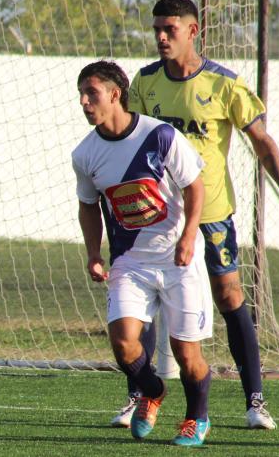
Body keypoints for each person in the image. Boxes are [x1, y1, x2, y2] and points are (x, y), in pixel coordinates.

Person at [112, 0, 279, 430]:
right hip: (158, 220)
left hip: (211, 215)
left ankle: (255, 400)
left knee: (230, 297)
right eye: (157, 30)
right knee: (143, 299)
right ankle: (140, 397)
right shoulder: (145, 84)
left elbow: (264, 144)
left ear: (193, 30)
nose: (162, 37)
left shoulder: (224, 84)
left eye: (171, 30)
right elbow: (128, 144)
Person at [73, 60, 213, 446]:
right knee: (123, 342)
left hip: (177, 258)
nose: (84, 102)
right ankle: (151, 391)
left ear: (115, 95)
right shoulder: (85, 154)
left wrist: (188, 237)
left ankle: (196, 418)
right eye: (81, 95)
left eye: (92, 94)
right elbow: (88, 205)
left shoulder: (161, 136)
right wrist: (93, 253)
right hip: (129, 261)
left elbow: (195, 187)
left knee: (186, 355)